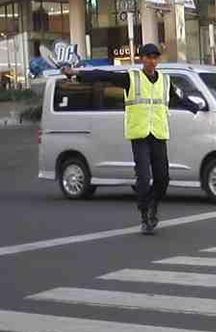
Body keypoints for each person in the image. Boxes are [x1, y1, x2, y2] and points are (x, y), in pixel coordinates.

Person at [62, 43, 201, 235]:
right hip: (140, 135)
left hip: (159, 135)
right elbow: (104, 76)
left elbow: (179, 97)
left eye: (155, 57)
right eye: (148, 57)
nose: (152, 61)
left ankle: (152, 203)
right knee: (143, 178)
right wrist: (76, 74)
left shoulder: (165, 81)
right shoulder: (131, 78)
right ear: (142, 59)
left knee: (163, 179)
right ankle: (145, 214)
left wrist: (195, 107)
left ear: (158, 60)